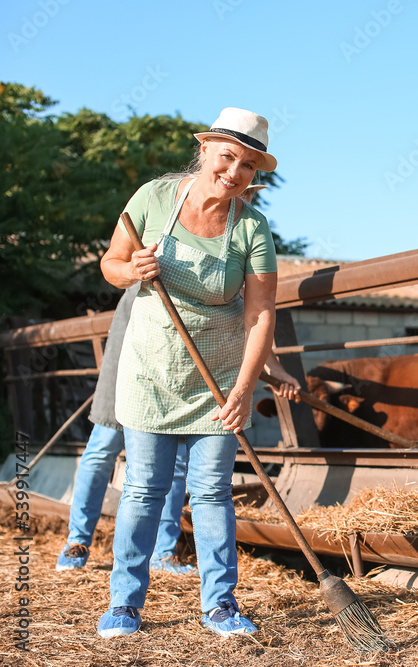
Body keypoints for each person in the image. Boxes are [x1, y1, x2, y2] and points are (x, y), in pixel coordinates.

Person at [97, 107, 284, 639]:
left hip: (219, 379)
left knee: (211, 492)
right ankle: (125, 604)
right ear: (205, 150)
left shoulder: (252, 226)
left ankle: (220, 606)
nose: (235, 171)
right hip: (151, 369)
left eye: (249, 165)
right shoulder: (154, 199)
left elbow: (261, 311)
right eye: (228, 156)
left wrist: (245, 389)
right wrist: (131, 269)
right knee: (142, 491)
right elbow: (112, 262)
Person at [56, 284, 195, 575]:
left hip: (173, 377)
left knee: (176, 463)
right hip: (125, 368)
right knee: (102, 448)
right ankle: (77, 542)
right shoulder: (140, 274)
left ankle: (163, 552)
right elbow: (116, 264)